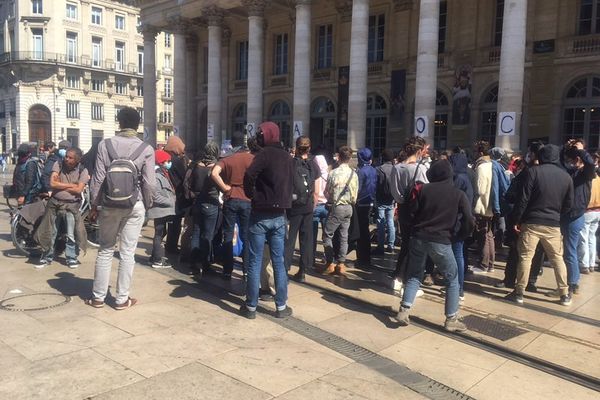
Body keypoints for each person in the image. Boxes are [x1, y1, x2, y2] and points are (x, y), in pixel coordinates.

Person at [87, 107, 155, 310]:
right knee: (127, 253)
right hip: (135, 204)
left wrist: (94, 204)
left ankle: (98, 297)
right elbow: (149, 184)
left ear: (119, 123)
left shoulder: (104, 145)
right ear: (137, 124)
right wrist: (147, 204)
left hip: (108, 203)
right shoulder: (146, 148)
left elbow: (98, 179)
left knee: (105, 249)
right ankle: (121, 299)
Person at [394, 160, 474, 332]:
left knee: (415, 274)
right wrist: (460, 236)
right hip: (442, 240)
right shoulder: (458, 194)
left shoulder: (423, 190)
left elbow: (412, 211)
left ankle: (404, 310)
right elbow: (469, 219)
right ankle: (451, 319)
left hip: (418, 237)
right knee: (452, 278)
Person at [506, 144, 573, 306]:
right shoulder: (566, 177)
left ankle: (519, 292)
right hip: (553, 223)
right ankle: (564, 293)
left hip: (532, 222)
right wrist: (557, 215)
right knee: (557, 259)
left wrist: (517, 220)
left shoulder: (533, 172)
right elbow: (569, 204)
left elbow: (523, 199)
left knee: (525, 257)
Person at [240, 121, 294, 319]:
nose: (260, 137)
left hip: (261, 214)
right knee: (278, 261)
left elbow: (249, 175)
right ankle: (281, 306)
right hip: (280, 215)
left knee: (255, 261)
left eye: (262, 134)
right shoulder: (288, 157)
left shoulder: (264, 154)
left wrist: (252, 194)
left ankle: (251, 307)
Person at [34, 147, 89, 269]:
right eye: (66, 156)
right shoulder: (58, 164)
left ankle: (71, 258)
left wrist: (61, 186)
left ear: (77, 160)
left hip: (71, 206)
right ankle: (47, 256)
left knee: (71, 234)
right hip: (54, 204)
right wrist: (71, 185)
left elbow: (79, 189)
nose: (66, 159)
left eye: (70, 158)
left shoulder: (83, 170)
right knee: (50, 232)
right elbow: (53, 183)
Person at [211, 131, 254, 280]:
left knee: (228, 235)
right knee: (246, 235)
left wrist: (225, 187)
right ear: (244, 142)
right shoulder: (251, 159)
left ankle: (227, 270)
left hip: (231, 198)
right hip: (247, 199)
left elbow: (214, 173)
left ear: (232, 144)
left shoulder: (227, 159)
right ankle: (247, 271)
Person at [389, 137, 429, 280]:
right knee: (416, 244)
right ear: (419, 151)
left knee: (406, 241)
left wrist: (402, 201)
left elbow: (394, 191)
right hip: (417, 210)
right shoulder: (421, 169)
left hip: (403, 208)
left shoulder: (397, 168)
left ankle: (398, 272)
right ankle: (409, 275)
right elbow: (425, 190)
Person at [562, 140, 596, 294]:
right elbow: (559, 160)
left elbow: (590, 163)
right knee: (565, 251)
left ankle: (573, 283)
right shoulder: (569, 171)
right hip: (563, 214)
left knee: (570, 250)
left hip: (575, 215)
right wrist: (567, 149)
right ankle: (569, 281)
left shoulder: (586, 174)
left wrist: (580, 150)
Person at [284, 136, 318, 282]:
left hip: (294, 205)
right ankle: (303, 271)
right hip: (308, 206)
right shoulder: (312, 164)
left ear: (296, 148)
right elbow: (316, 190)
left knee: (290, 238)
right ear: (309, 148)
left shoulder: (290, 163)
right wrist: (313, 204)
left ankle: (285, 269)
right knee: (306, 239)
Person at [322, 146, 359, 276]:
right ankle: (341, 263)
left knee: (327, 234)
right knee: (344, 236)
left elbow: (328, 191)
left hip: (337, 207)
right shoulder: (354, 174)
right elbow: (355, 195)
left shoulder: (333, 173)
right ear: (349, 158)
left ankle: (330, 262)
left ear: (339, 157)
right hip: (349, 207)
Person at [189, 142, 222, 277]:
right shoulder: (216, 166)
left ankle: (193, 263)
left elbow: (192, 183)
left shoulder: (197, 165)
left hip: (197, 202)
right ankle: (206, 264)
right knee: (208, 235)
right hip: (211, 203)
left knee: (196, 232)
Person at [449, 152, 474, 301]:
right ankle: (458, 287)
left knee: (457, 254)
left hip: (456, 221)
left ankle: (458, 288)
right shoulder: (467, 176)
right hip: (463, 220)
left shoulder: (458, 178)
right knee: (459, 253)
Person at [147, 149, 176, 269]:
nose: (169, 163)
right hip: (159, 210)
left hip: (162, 210)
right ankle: (158, 260)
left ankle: (154, 257)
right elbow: (156, 195)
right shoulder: (156, 175)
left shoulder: (163, 173)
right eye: (167, 161)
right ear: (161, 162)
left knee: (161, 232)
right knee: (159, 233)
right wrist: (170, 201)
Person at [472, 141, 496, 273]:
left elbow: (480, 189)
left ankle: (483, 264)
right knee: (489, 234)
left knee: (483, 235)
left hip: (483, 205)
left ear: (480, 152)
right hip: (491, 205)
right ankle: (491, 263)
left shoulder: (481, 167)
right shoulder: (492, 164)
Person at [163, 136, 189, 254]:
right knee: (176, 223)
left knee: (171, 222)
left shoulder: (166, 158)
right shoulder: (176, 161)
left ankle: (170, 245)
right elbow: (184, 176)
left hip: (167, 193)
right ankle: (172, 246)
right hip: (177, 194)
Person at [355, 147, 377, 268]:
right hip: (370, 202)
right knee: (365, 230)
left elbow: (358, 188)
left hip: (361, 203)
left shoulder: (361, 171)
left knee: (361, 231)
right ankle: (366, 257)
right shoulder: (373, 170)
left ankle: (362, 257)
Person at [580, 152, 600, 275]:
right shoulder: (598, 179)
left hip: (588, 210)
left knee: (584, 239)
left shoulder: (589, 180)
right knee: (591, 238)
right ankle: (591, 263)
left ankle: (584, 264)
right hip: (598, 211)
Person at [375, 149, 396, 254]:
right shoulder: (395, 169)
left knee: (381, 223)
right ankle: (391, 245)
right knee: (390, 222)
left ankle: (380, 246)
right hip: (391, 199)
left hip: (380, 199)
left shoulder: (378, 169)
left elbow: (376, 185)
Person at [312, 154, 329, 264]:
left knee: (312, 234)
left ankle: (311, 256)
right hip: (326, 206)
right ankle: (327, 256)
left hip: (316, 205)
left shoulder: (314, 175)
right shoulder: (329, 175)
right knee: (327, 234)